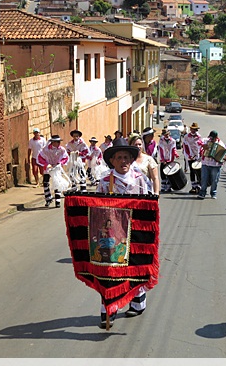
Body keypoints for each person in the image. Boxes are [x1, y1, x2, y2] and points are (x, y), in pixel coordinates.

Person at [96, 137, 151, 328]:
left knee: (135, 267)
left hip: (135, 232)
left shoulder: (139, 179)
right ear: (112, 161)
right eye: (119, 157)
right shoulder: (105, 182)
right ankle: (109, 310)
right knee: (111, 272)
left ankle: (137, 303)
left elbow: (148, 204)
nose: (123, 161)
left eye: (126, 157)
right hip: (113, 234)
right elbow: (97, 208)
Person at [37, 135, 69, 208]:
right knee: (45, 182)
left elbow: (66, 157)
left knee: (57, 183)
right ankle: (48, 198)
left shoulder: (61, 150)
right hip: (48, 167)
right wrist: (46, 164)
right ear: (52, 142)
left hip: (56, 167)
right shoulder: (45, 149)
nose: (58, 143)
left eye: (59, 142)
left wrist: (60, 163)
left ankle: (57, 201)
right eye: (57, 142)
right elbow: (40, 157)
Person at [197, 130, 226, 199]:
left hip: (215, 165)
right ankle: (202, 193)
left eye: (213, 138)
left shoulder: (220, 144)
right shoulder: (206, 140)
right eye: (210, 137)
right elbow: (198, 142)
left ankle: (213, 193)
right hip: (205, 163)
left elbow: (225, 153)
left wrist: (224, 157)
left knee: (214, 180)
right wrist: (203, 145)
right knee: (204, 179)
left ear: (216, 137)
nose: (211, 139)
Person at [182, 122, 203, 194]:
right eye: (192, 129)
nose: (193, 130)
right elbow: (185, 147)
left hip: (197, 156)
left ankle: (199, 186)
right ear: (190, 129)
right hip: (190, 156)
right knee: (192, 171)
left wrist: (200, 155)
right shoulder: (186, 137)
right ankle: (193, 186)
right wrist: (189, 156)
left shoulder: (199, 136)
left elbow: (201, 146)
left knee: (198, 171)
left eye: (195, 129)